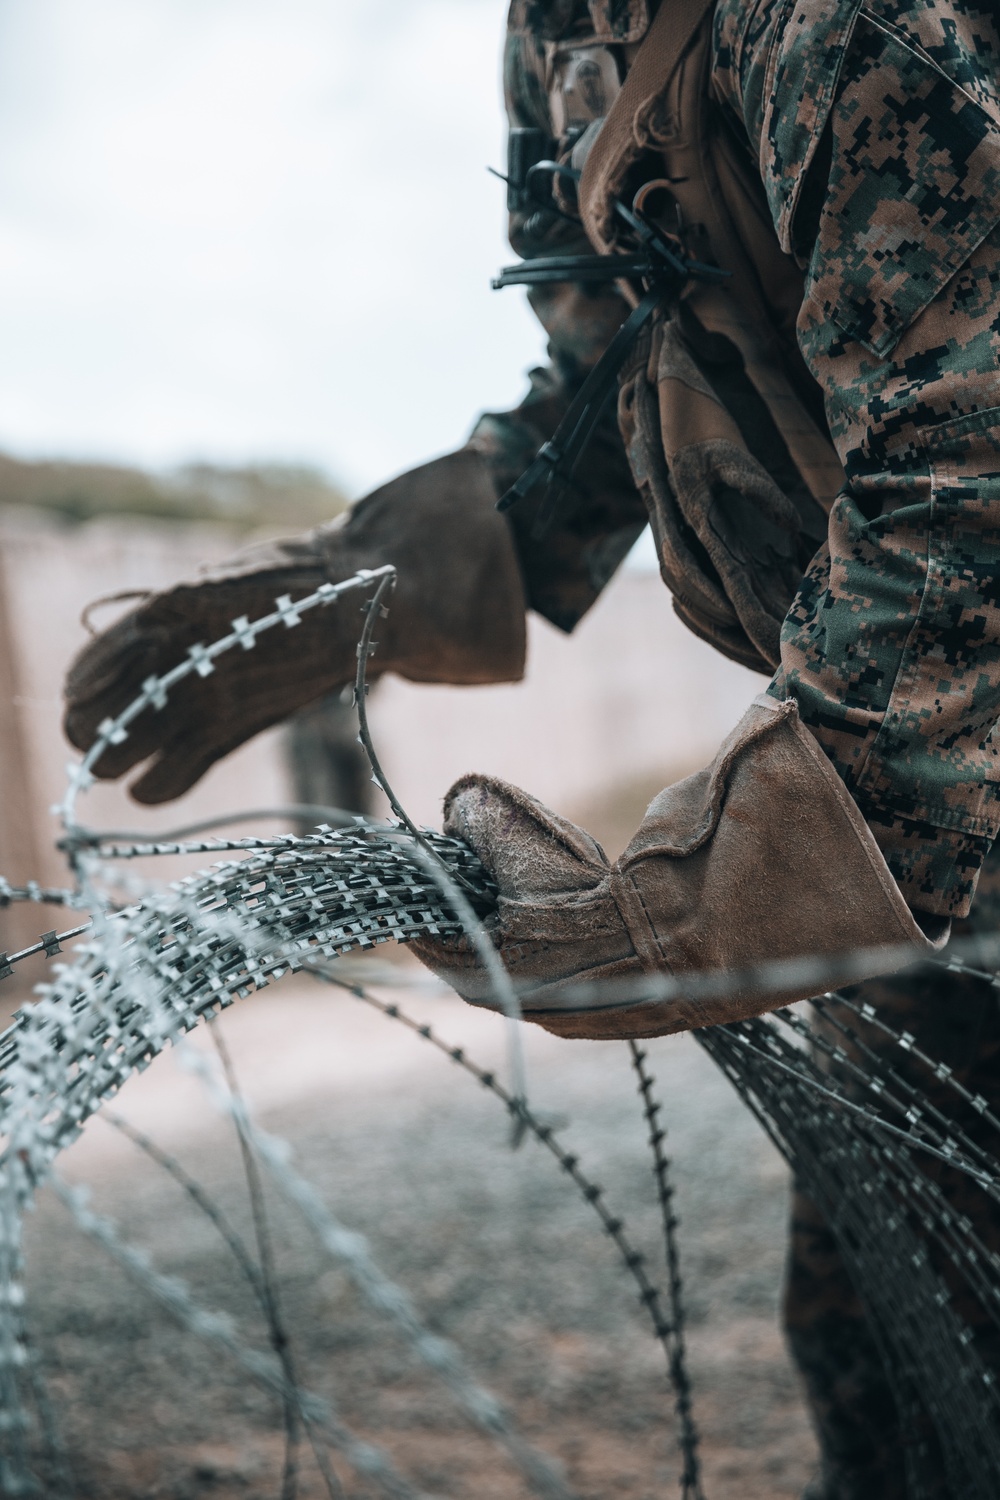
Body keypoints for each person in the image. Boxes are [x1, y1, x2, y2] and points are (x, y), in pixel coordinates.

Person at [62, 1, 1000, 1493]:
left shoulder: (840, 20)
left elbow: (972, 468)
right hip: (935, 846)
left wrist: (721, 888)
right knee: (899, 1365)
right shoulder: (568, 32)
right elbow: (621, 362)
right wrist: (380, 579)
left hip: (930, 772)